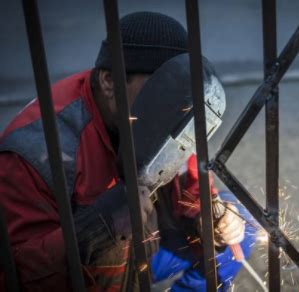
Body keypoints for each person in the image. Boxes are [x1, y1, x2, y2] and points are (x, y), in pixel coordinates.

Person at [0, 12, 256, 291]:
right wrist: (99, 227)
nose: (170, 105)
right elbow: (16, 274)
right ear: (110, 81)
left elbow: (187, 177)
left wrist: (205, 218)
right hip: (86, 271)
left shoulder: (166, 113)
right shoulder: (34, 153)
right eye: (161, 90)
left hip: (147, 249)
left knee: (244, 223)